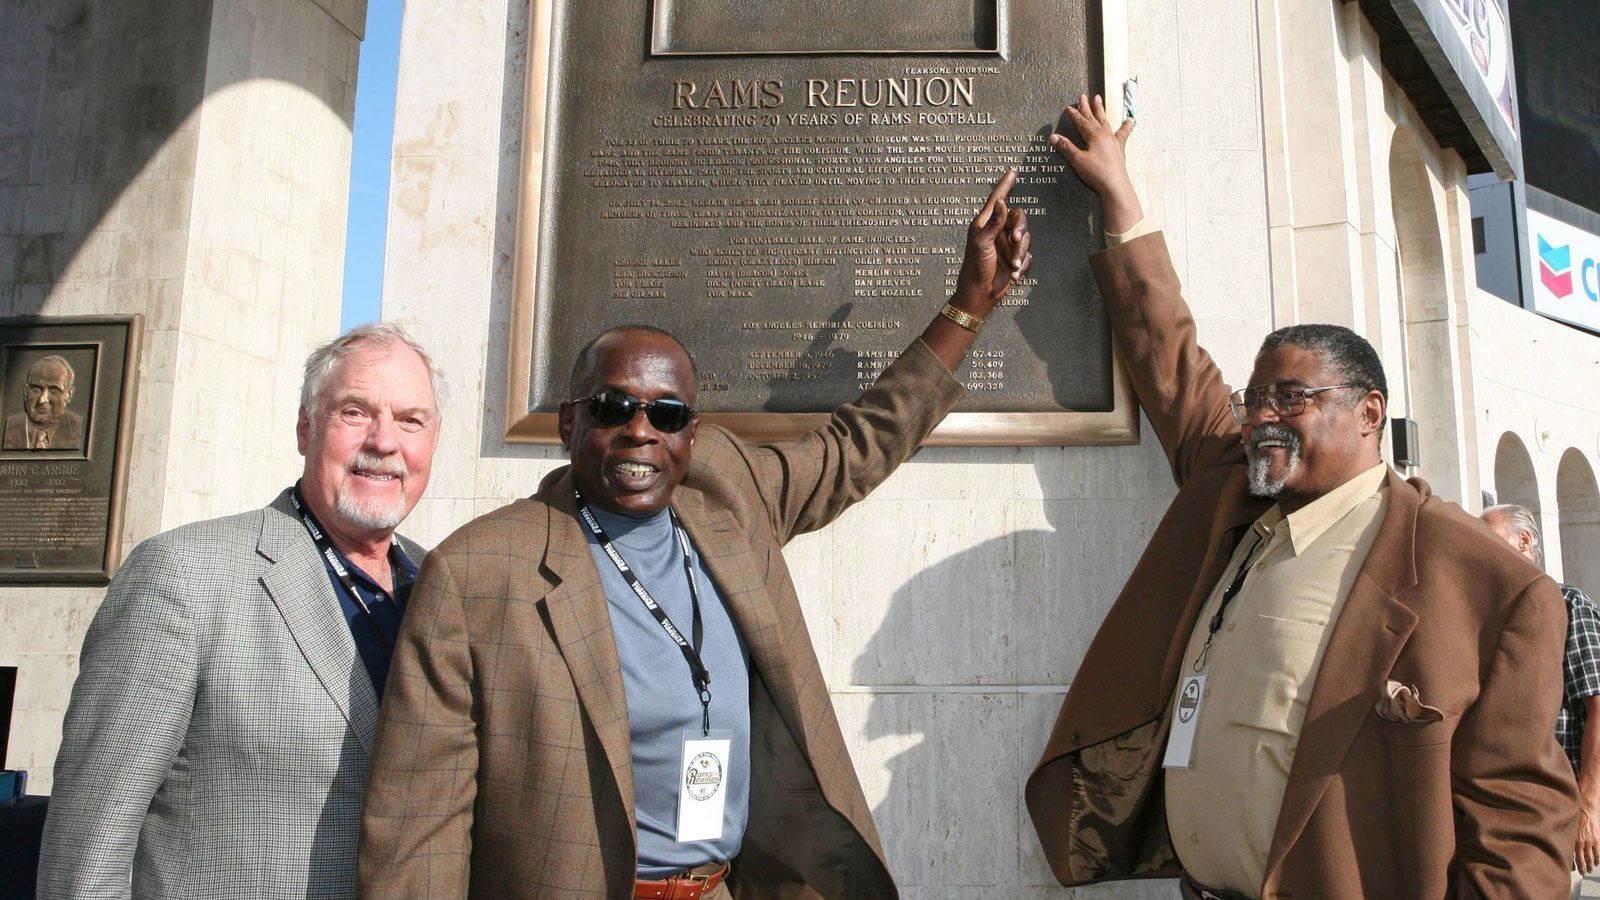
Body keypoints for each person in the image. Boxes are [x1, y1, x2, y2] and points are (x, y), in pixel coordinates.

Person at [357, 171, 1032, 899]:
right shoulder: (479, 574)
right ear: (568, 423)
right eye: (614, 407)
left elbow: (854, 447)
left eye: (667, 414)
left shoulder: (726, 495)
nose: (641, 430)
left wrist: (967, 307)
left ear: (692, 435)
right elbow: (417, 837)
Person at [1024, 94, 1578, 898]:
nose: (1264, 418)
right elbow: (1169, 352)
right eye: (1255, 400)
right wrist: (1120, 197)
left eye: (1292, 399)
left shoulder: (1486, 583)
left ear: (1369, 413)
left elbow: (1520, 824)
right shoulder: (1233, 491)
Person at [38, 324, 444, 899]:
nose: (384, 442)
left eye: (411, 420)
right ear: (307, 427)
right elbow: (89, 845)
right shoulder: (184, 575)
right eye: (355, 412)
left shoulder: (443, 589)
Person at [1483, 503, 1600, 893]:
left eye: (1490, 540)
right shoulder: (1492, 621)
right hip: (1513, 821)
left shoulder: (1569, 605)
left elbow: (1599, 706)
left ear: (1525, 541)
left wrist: (1588, 808)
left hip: (1566, 821)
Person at [4, 354, 84, 450]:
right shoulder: (9, 426)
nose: (42, 400)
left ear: (69, 394)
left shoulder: (80, 428)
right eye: (36, 389)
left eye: (54, 391)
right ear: (25, 391)